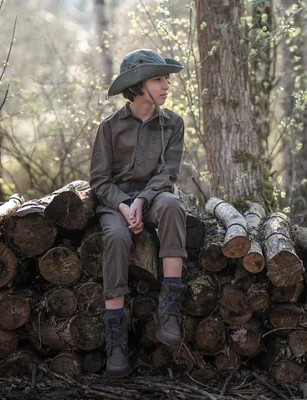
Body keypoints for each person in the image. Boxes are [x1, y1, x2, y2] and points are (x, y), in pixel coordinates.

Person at [89, 49, 187, 378]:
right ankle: (115, 339)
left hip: (154, 197)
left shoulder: (173, 123)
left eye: (167, 79)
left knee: (173, 205)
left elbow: (167, 174)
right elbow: (100, 180)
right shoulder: (109, 127)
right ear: (137, 86)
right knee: (116, 237)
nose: (166, 85)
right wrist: (122, 205)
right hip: (115, 202)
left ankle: (170, 307)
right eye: (158, 79)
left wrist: (142, 201)